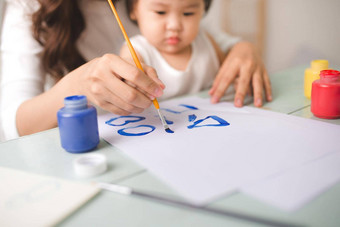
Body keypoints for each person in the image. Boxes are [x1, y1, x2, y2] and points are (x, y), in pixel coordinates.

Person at [0, 0, 271, 141]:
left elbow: (212, 38)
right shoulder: (29, 7)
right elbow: (13, 123)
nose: (173, 24)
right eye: (160, 13)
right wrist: (77, 85)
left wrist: (243, 48)